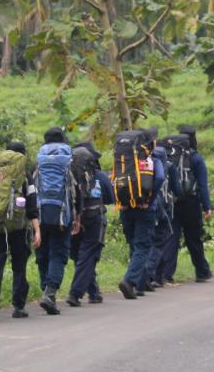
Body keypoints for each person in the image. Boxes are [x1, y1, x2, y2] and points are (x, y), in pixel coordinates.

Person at [0, 141, 41, 321]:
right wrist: (37, 230)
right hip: (18, 227)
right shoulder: (24, 174)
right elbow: (32, 205)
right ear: (22, 156)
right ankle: (18, 306)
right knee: (19, 266)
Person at [156, 126, 213, 284]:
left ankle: (166, 275)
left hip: (172, 201)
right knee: (193, 238)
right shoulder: (196, 158)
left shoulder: (168, 154)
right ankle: (202, 272)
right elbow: (203, 185)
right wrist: (207, 206)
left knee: (171, 237)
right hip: (191, 201)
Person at [34, 127, 80, 314]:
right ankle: (50, 292)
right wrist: (77, 216)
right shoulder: (69, 161)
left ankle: (46, 287)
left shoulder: (38, 162)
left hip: (41, 213)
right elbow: (77, 192)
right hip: (62, 214)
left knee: (42, 253)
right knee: (58, 253)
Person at [116, 128, 165, 300]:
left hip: (125, 207)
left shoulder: (123, 160)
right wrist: (149, 200)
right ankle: (129, 281)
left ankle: (140, 283)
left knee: (134, 246)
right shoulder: (152, 160)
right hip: (145, 210)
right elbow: (159, 178)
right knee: (142, 246)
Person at [65, 141, 114, 307]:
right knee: (87, 256)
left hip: (73, 219)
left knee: (81, 256)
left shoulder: (68, 175)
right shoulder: (99, 176)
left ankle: (94, 292)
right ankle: (75, 293)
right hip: (94, 217)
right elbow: (110, 198)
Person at [145, 137, 182, 290]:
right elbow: (177, 189)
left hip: (145, 206)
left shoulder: (146, 164)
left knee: (148, 241)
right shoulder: (169, 166)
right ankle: (154, 276)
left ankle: (147, 275)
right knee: (161, 241)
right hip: (163, 208)